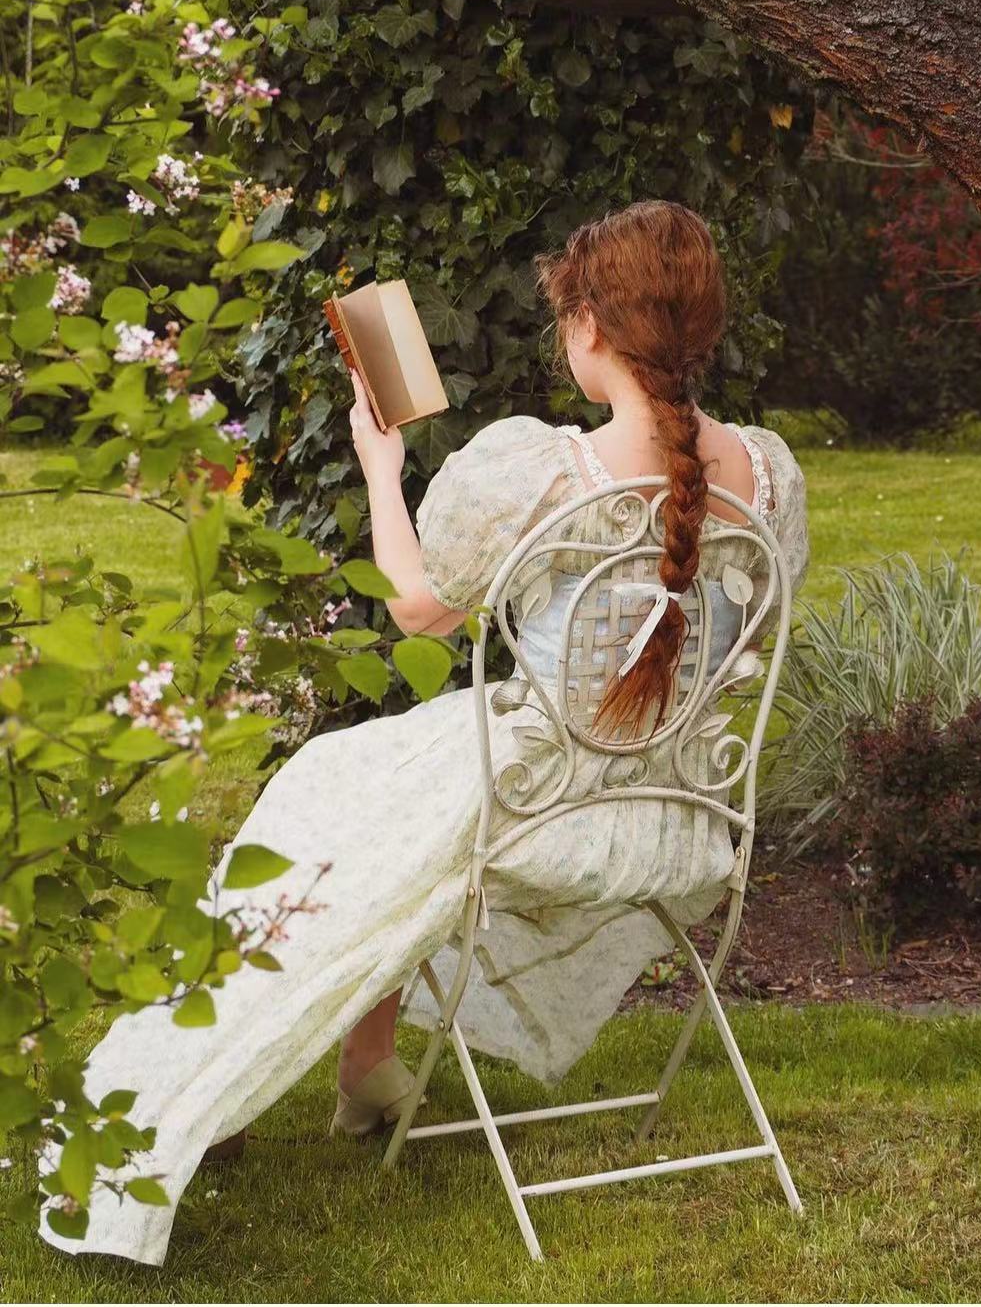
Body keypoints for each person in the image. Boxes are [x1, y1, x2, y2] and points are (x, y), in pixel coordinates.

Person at [38, 199, 810, 1265]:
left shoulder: (546, 469)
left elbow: (416, 608)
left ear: (590, 327)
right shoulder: (771, 475)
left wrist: (381, 464)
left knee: (328, 802)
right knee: (367, 803)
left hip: (536, 802)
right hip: (673, 810)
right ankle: (365, 1069)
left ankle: (195, 1086)